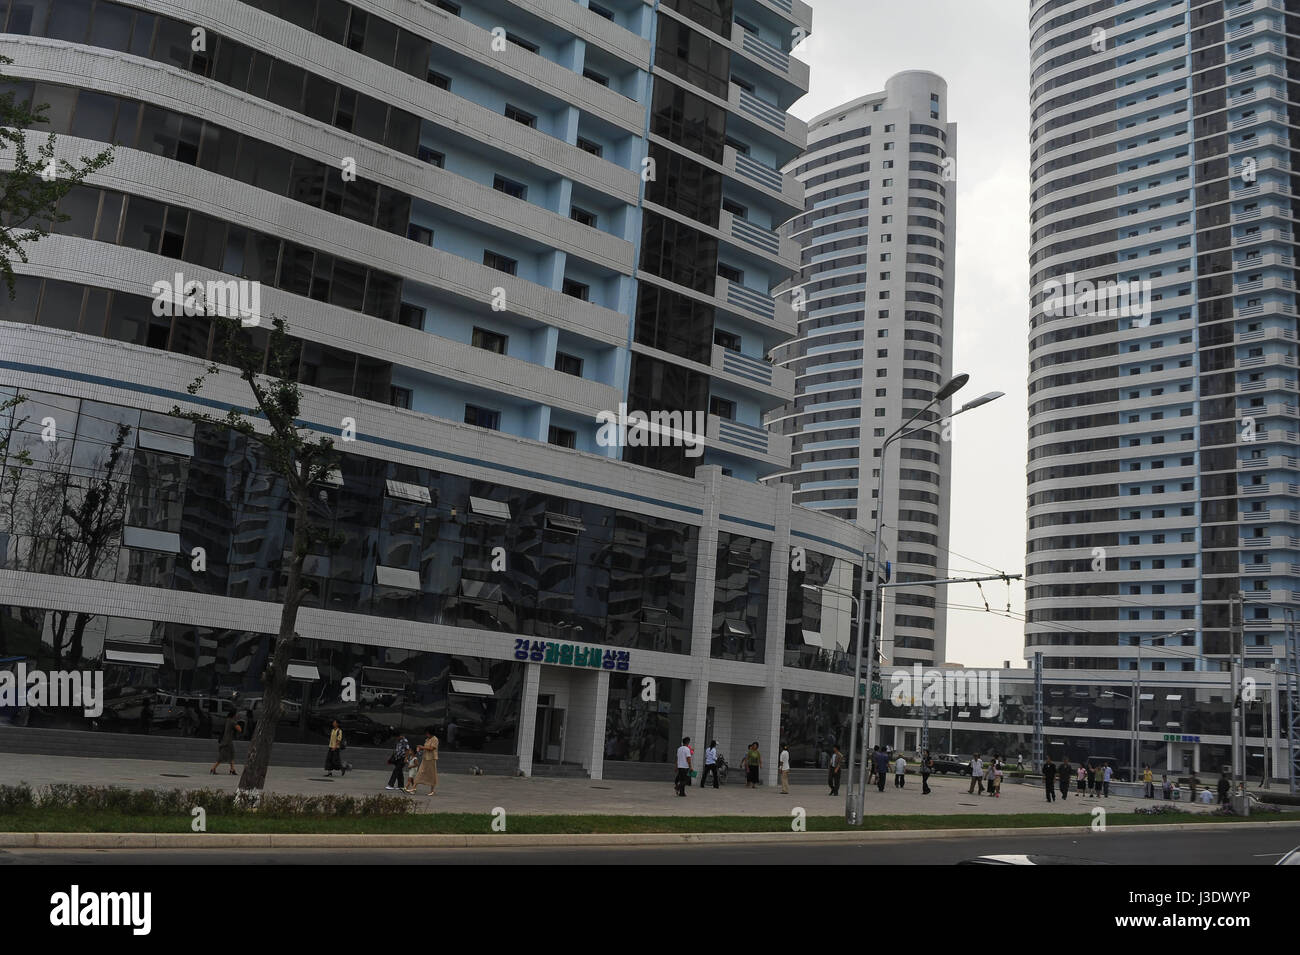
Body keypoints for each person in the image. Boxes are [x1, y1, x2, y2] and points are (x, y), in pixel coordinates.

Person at [410, 727, 439, 795]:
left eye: (427, 733)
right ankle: (414, 788)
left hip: (431, 759)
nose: (426, 734)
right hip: (425, 758)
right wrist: (420, 749)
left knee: (432, 774)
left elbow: (432, 748)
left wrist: (422, 747)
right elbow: (426, 748)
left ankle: (432, 790)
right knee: (420, 772)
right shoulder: (427, 739)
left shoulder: (435, 739)